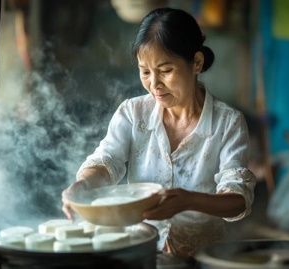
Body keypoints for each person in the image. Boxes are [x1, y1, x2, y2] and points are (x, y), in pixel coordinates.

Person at [62, 7, 255, 257]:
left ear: (196, 62)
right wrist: (82, 186)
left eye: (165, 71)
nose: (154, 84)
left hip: (203, 258)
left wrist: (188, 200)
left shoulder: (227, 123)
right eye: (145, 72)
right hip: (139, 254)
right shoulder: (133, 113)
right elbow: (106, 162)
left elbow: (237, 198)